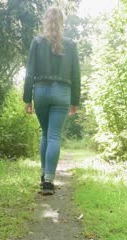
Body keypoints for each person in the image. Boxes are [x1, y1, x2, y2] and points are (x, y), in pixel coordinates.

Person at [23, 6, 81, 195]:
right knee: (54, 135)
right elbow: (76, 75)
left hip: (40, 92)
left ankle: (43, 174)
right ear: (62, 22)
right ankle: (48, 181)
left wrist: (27, 99)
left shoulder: (37, 42)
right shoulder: (70, 44)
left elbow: (29, 72)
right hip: (62, 92)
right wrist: (75, 101)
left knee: (45, 134)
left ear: (45, 21)